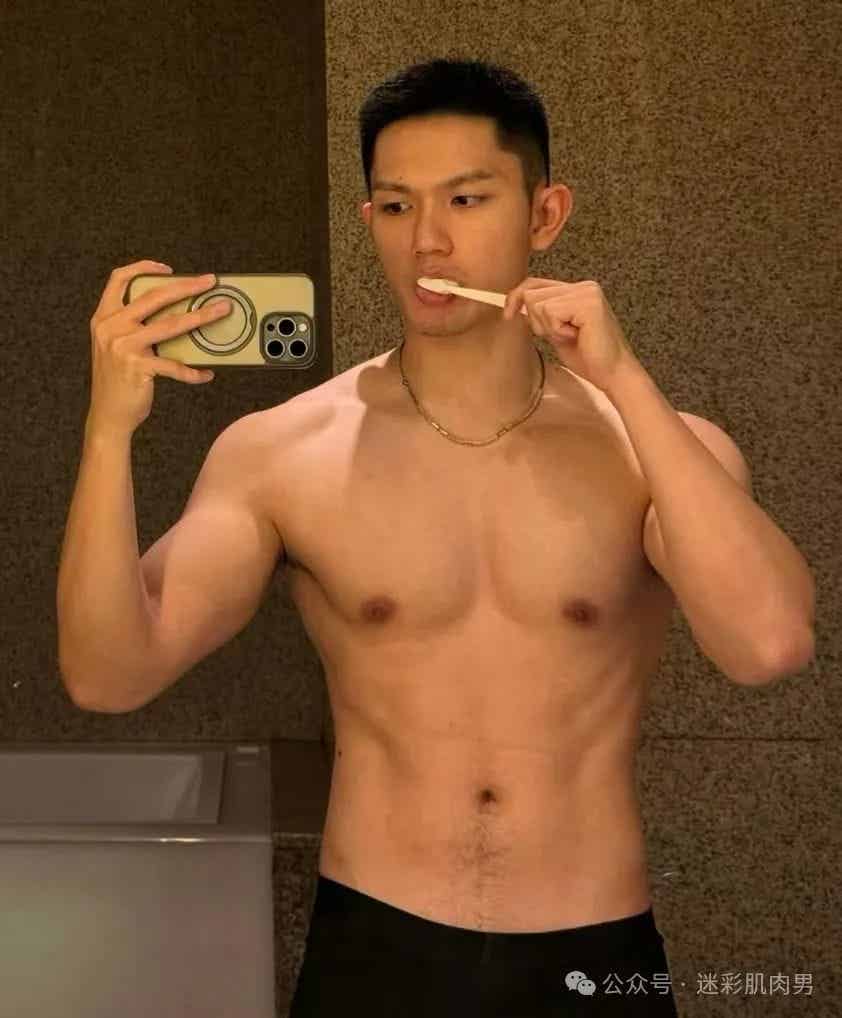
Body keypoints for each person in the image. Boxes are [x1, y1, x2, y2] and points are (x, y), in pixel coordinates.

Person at [58, 56, 815, 1018]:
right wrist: (107, 431)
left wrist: (626, 382)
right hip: (373, 947)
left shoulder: (651, 449)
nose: (428, 241)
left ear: (544, 215)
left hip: (594, 950)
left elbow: (767, 645)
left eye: (466, 199)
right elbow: (108, 675)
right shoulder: (285, 452)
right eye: (395, 206)